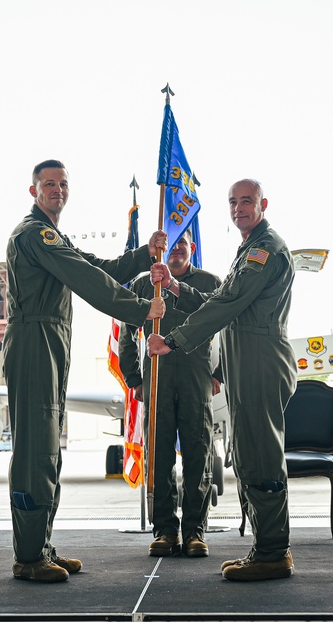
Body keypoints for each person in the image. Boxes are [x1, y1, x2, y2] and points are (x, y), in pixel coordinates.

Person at [3, 159, 166, 583]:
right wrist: (140, 309)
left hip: (51, 344)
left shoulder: (54, 236)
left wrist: (143, 255)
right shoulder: (33, 234)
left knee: (48, 449)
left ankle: (40, 545)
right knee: (34, 450)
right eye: (49, 184)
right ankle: (27, 556)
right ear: (34, 190)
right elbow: (86, 280)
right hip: (35, 343)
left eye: (63, 184)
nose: (57, 190)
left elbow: (100, 269)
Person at [147, 179, 297, 582]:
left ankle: (273, 552)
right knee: (248, 454)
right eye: (233, 202)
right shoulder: (249, 249)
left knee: (261, 456)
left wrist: (175, 340)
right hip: (246, 364)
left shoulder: (264, 249)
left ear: (263, 204)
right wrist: (177, 287)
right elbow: (222, 302)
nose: (238, 208)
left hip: (261, 363)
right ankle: (266, 548)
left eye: (246, 201)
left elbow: (228, 304)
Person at [119, 229, 221, 558]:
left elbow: (226, 326)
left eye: (182, 242)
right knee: (159, 459)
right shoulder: (144, 284)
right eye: (170, 243)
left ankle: (194, 531)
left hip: (195, 381)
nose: (176, 248)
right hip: (156, 382)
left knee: (198, 458)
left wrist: (219, 373)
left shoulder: (209, 283)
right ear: (161, 247)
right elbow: (127, 331)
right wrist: (134, 378)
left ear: (191, 247)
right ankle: (164, 530)